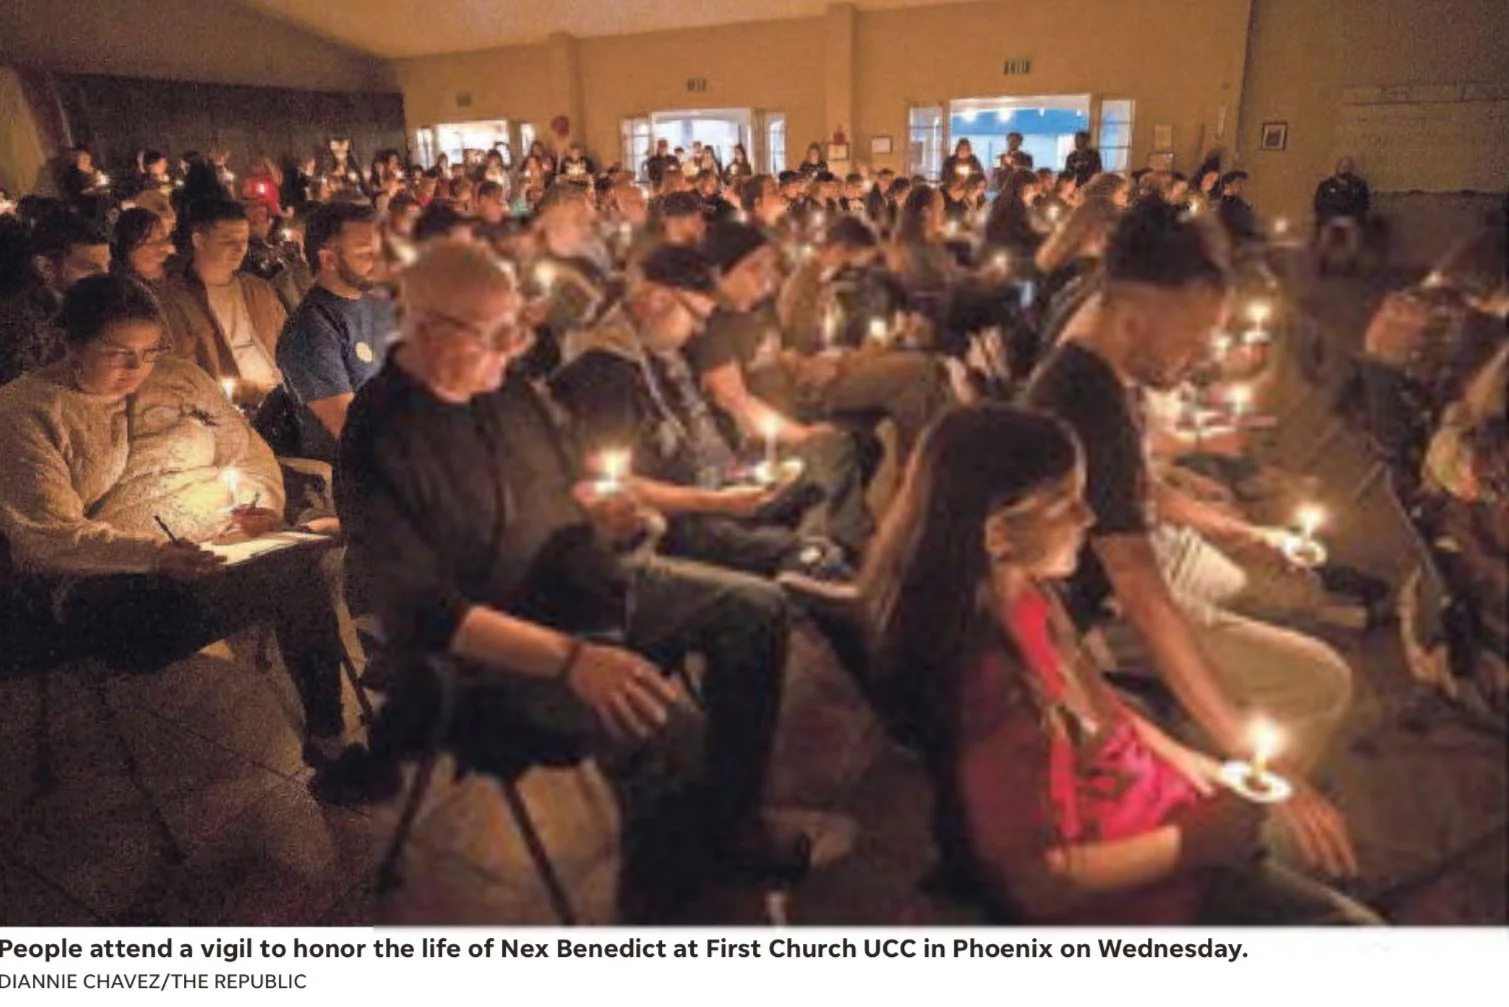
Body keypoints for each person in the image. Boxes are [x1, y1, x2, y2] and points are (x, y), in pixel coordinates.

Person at [335, 242, 807, 917]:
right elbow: (425, 612)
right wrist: (573, 658)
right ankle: (660, 909)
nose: (515, 348)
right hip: (490, 655)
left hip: (581, 584)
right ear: (430, 330)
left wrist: (604, 515)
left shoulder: (504, 387)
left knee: (757, 609)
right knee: (666, 725)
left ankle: (729, 819)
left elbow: (565, 486)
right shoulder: (379, 435)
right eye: (498, 333)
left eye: (519, 328)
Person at [861, 403, 1377, 924]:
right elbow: (1038, 885)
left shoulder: (1028, 593)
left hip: (1149, 804)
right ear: (997, 535)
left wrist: (1198, 766)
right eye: (1065, 504)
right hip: (1125, 890)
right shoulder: (982, 686)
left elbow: (1102, 707)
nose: (1089, 518)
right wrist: (1195, 843)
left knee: (1316, 845)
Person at [1024, 200, 1358, 875]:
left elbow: (1138, 491)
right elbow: (1142, 593)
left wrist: (1242, 530)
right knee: (1322, 681)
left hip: (1127, 587)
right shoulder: (1083, 403)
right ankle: (1253, 840)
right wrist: (1259, 762)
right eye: (1197, 335)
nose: (1204, 354)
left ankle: (1247, 804)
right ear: (1135, 315)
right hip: (1091, 621)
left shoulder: (1104, 368)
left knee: (1271, 601)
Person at [0, 273, 382, 801]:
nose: (138, 368)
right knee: (296, 577)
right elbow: (49, 536)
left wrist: (262, 505)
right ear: (71, 343)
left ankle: (332, 730)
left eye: (150, 352)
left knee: (305, 560)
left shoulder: (180, 379)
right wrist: (156, 555)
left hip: (222, 551)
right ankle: (333, 743)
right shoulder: (25, 411)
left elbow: (247, 452)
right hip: (115, 587)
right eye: (119, 354)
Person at [275, 203, 396, 461]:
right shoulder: (310, 330)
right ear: (329, 260)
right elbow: (352, 430)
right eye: (366, 254)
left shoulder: (380, 304)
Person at [159, 199, 287, 408]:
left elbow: (289, 342)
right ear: (199, 241)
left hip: (281, 398)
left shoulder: (258, 290)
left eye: (244, 240)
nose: (240, 249)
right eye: (228, 242)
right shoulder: (175, 302)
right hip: (230, 407)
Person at [0, 214, 110, 385]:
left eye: (108, 265)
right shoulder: (17, 327)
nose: (106, 276)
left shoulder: (97, 307)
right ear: (46, 267)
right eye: (90, 268)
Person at [1313, 157, 1371, 273]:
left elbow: (1364, 204)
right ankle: (1322, 263)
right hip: (1331, 218)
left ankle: (1351, 264)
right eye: (1343, 167)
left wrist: (1355, 217)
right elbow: (1320, 203)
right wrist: (1330, 216)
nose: (1345, 169)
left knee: (1354, 233)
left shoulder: (1359, 186)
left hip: (1351, 218)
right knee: (1326, 233)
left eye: (1348, 167)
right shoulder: (1326, 185)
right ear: (1337, 168)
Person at [110, 207, 176, 292]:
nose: (162, 246)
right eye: (151, 242)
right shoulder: (121, 288)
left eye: (164, 239)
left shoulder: (181, 270)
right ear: (130, 248)